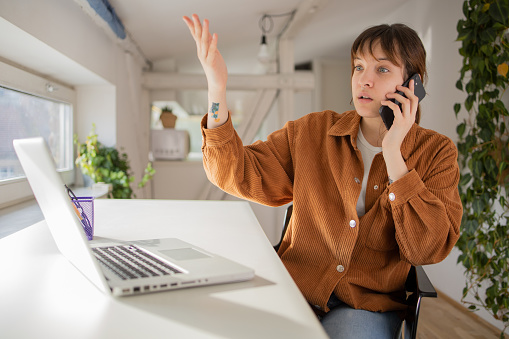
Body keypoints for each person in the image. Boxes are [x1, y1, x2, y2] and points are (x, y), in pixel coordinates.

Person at [183, 14, 462, 339]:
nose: (364, 80)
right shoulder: (313, 132)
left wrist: (394, 155)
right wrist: (217, 88)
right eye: (358, 67)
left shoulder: (437, 153)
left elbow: (427, 250)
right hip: (295, 290)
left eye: (382, 69)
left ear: (413, 85)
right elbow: (237, 173)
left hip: (365, 306)